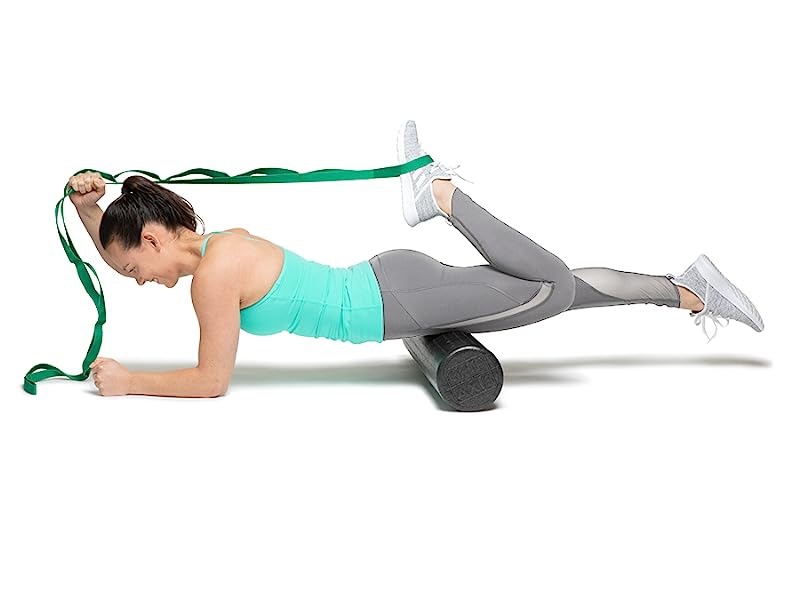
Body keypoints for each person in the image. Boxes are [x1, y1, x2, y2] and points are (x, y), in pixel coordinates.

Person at [73, 120, 764, 398]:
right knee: (562, 288)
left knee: (549, 286)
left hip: (401, 304)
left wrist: (131, 382)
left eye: (135, 270)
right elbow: (123, 239)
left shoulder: (213, 280)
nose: (140, 283)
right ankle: (689, 292)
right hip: (396, 286)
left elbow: (210, 381)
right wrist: (88, 209)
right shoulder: (222, 243)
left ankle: (441, 195)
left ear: (156, 239)